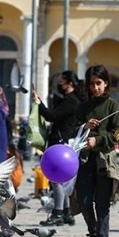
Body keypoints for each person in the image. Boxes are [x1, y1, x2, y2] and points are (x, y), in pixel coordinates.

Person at [75, 65, 119, 237]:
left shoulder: (113, 106)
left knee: (102, 205)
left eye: (99, 83)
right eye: (92, 84)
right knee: (84, 201)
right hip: (85, 160)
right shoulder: (83, 107)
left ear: (106, 84)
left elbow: (118, 134)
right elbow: (71, 130)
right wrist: (84, 126)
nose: (95, 88)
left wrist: (99, 139)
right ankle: (94, 234)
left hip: (104, 162)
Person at [33, 70, 84, 227]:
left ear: (69, 84)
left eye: (61, 82)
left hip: (61, 144)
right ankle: (67, 213)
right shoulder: (71, 100)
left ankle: (58, 212)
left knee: (57, 179)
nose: (59, 85)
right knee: (64, 180)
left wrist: (39, 103)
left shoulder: (71, 102)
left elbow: (51, 116)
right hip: (64, 143)